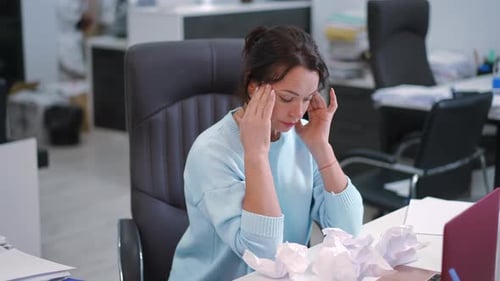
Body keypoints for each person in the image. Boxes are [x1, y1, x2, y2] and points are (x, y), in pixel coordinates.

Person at [168, 25, 364, 281]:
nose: (298, 113)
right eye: (286, 98)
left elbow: (348, 232)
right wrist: (256, 155)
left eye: (306, 99)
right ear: (254, 85)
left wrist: (322, 148)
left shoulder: (302, 136)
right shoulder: (212, 152)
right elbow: (264, 256)